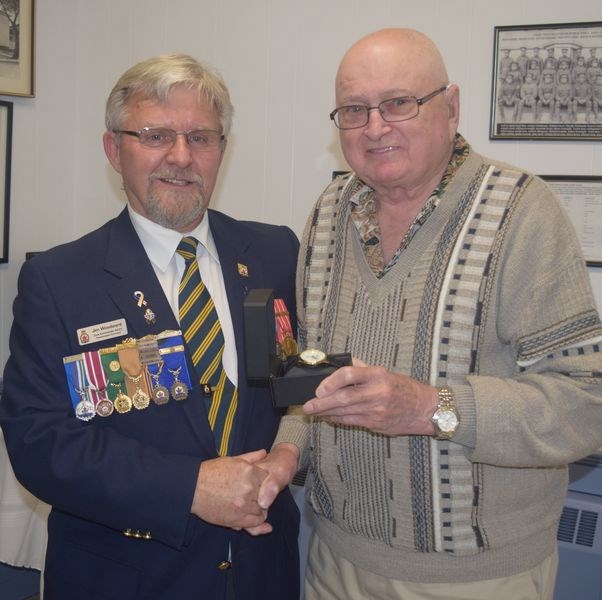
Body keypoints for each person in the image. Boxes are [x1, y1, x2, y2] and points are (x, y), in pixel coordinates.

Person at [257, 28, 602, 600]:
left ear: (451, 107)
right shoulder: (328, 213)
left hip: (479, 580)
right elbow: (310, 382)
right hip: (334, 562)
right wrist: (286, 453)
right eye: (354, 109)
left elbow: (587, 403)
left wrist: (429, 407)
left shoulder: (522, 212)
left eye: (398, 103)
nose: (374, 127)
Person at [0, 54, 300, 600]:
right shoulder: (60, 279)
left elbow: (298, 390)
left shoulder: (275, 253)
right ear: (115, 149)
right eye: (156, 135)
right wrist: (189, 488)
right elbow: (39, 442)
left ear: (221, 152)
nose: (181, 157)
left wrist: (288, 456)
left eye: (201, 137)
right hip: (126, 578)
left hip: (261, 573)